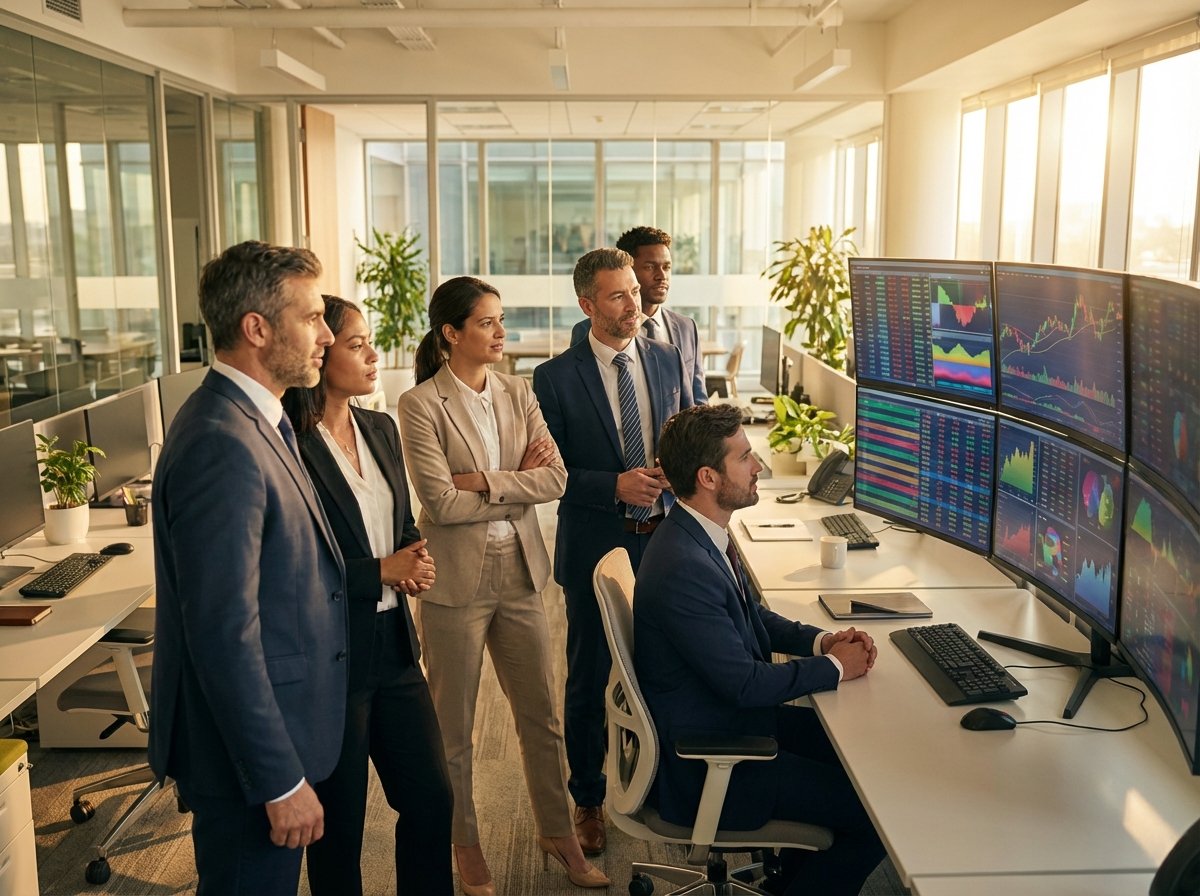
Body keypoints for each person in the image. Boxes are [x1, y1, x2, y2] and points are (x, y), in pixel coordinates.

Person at [397, 276, 609, 895]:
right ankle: (465, 845)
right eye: (488, 323)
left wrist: (482, 482)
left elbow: (557, 480)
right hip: (454, 581)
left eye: (501, 320)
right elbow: (438, 501)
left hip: (521, 574)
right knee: (454, 729)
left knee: (542, 717)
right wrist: (513, 482)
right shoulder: (420, 405)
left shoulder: (519, 392)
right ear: (451, 334)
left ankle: (557, 835)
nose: (500, 332)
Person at [149, 241, 348, 895]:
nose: (327, 334)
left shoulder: (261, 419)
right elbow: (222, 634)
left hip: (279, 735)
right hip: (247, 764)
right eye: (312, 317)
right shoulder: (220, 442)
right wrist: (278, 779)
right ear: (257, 329)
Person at [634, 404, 887, 896]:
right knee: (876, 815)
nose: (759, 468)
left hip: (727, 724)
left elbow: (753, 619)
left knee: (864, 757)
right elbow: (746, 685)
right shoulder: (684, 564)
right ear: (708, 477)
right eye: (746, 458)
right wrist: (835, 667)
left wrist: (821, 640)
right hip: (715, 758)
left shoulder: (699, 535)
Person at [281, 296, 453, 895]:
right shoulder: (290, 446)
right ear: (323, 354)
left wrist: (413, 560)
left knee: (433, 798)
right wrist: (380, 570)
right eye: (357, 344)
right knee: (339, 826)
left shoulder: (379, 426)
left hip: (396, 648)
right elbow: (292, 569)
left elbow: (401, 522)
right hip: (335, 656)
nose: (374, 355)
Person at [532, 247, 693, 855]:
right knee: (589, 677)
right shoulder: (554, 378)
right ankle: (589, 799)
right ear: (588, 304)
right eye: (619, 295)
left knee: (663, 667)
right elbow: (546, 472)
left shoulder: (666, 357)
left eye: (634, 291)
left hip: (664, 541)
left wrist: (675, 472)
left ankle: (660, 784)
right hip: (595, 544)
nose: (635, 303)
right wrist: (613, 484)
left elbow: (679, 431)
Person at [570, 226, 706, 406]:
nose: (661, 276)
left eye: (667, 267)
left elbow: (697, 401)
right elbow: (580, 399)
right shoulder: (587, 330)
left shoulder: (686, 327)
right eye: (650, 267)